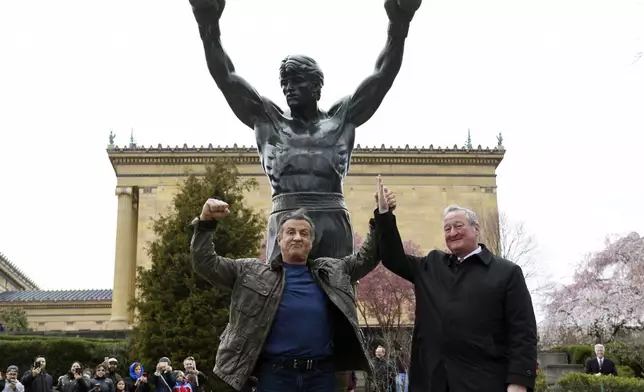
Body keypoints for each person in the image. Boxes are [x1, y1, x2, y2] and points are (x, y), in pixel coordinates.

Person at [188, 0, 422, 263]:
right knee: (281, 294)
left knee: (337, 293)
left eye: (297, 81)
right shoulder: (268, 119)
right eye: (285, 83)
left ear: (316, 86)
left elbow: (382, 76)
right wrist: (207, 23)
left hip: (332, 219)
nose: (289, 88)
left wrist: (399, 22)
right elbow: (226, 78)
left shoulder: (341, 118)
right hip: (284, 218)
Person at [190, 176, 396, 391]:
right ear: (279, 240)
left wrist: (382, 216)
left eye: (304, 233)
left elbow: (368, 256)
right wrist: (205, 223)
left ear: (311, 242)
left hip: (321, 375)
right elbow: (205, 264)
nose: (297, 237)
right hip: (274, 375)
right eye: (290, 232)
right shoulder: (250, 272)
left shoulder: (333, 271)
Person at [375, 204, 538, 392]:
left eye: (458, 226)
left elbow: (523, 331)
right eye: (447, 228)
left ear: (476, 228)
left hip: (484, 381)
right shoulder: (431, 265)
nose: (452, 233)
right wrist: (384, 215)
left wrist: (519, 381)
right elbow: (391, 257)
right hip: (431, 382)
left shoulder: (506, 273)